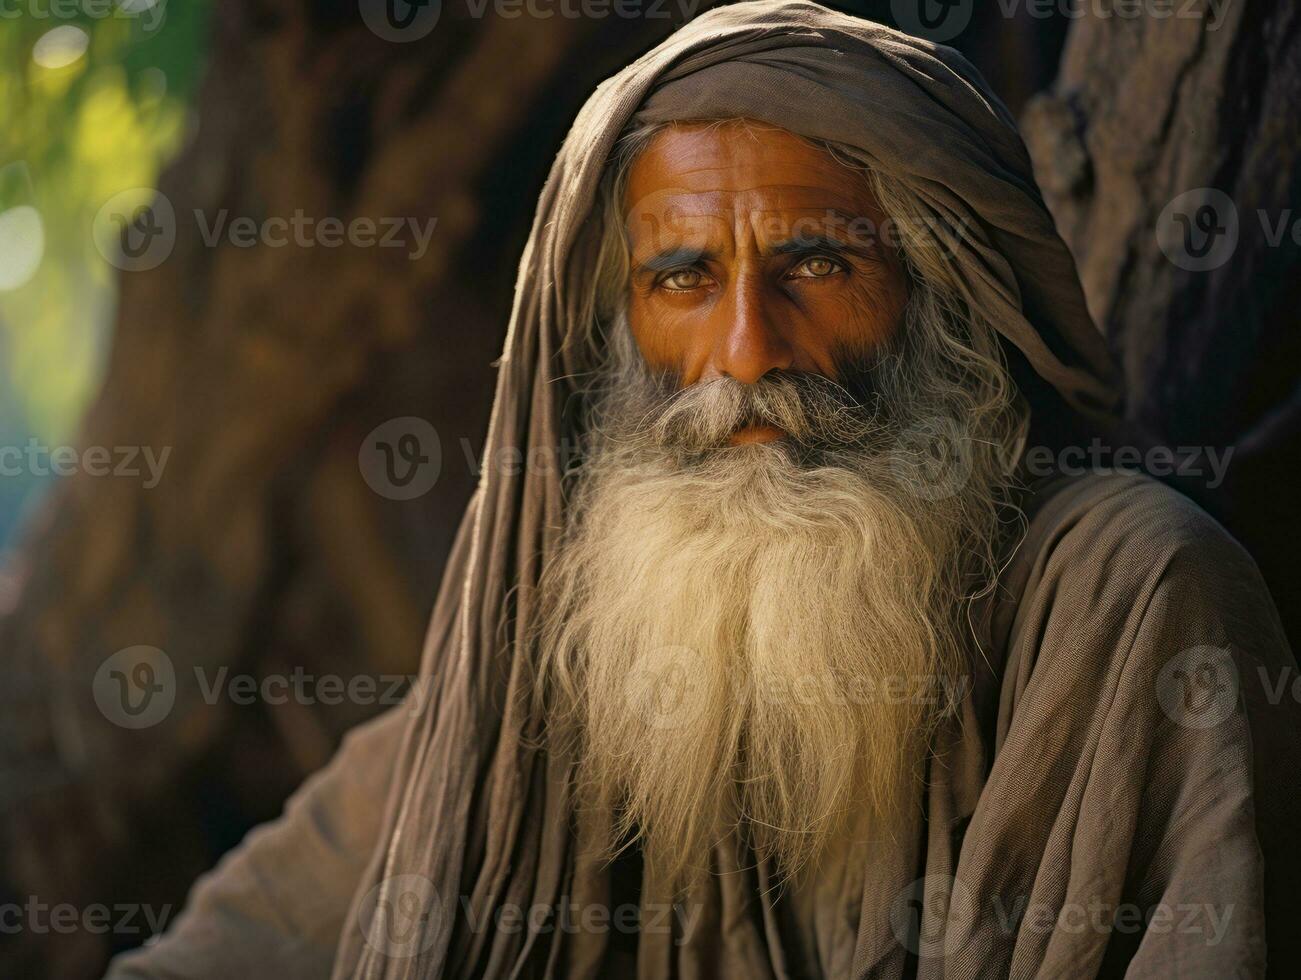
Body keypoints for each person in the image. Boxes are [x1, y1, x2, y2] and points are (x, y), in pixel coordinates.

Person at [107, 2, 1301, 977]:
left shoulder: (1129, 597)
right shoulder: (585, 642)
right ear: (619, 326)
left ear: (946, 291)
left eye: (815, 263)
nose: (744, 350)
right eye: (682, 275)